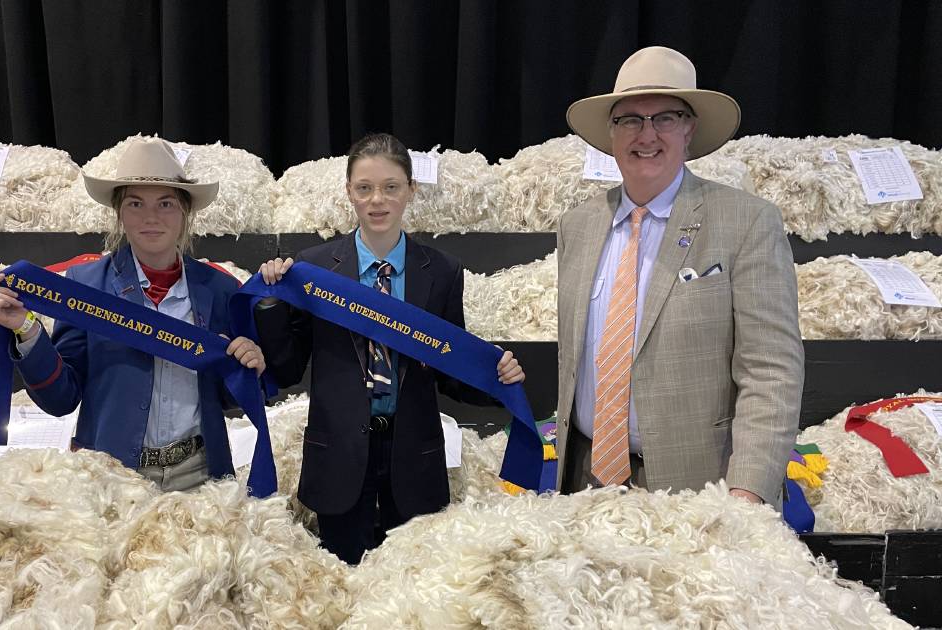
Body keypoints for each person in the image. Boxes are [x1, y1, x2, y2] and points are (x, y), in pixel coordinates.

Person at [254, 132, 525, 564]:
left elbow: (447, 369)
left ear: (411, 190)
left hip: (413, 459)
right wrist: (270, 302)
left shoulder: (441, 272)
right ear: (349, 192)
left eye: (391, 187)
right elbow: (287, 369)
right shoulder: (315, 268)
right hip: (338, 459)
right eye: (364, 188)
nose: (377, 200)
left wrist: (496, 376)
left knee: (410, 591)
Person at [556, 46, 803, 506]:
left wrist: (746, 494)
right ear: (611, 134)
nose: (646, 134)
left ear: (690, 128)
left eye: (665, 117)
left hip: (700, 493)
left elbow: (771, 371)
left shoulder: (746, 222)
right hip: (586, 481)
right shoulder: (578, 225)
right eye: (629, 119)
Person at [0, 139, 265, 492]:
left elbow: (225, 398)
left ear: (185, 213)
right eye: (135, 203)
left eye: (166, 204)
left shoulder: (219, 289)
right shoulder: (86, 286)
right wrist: (26, 329)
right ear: (119, 213)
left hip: (200, 475)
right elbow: (61, 398)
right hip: (113, 476)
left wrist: (246, 369)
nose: (151, 217)